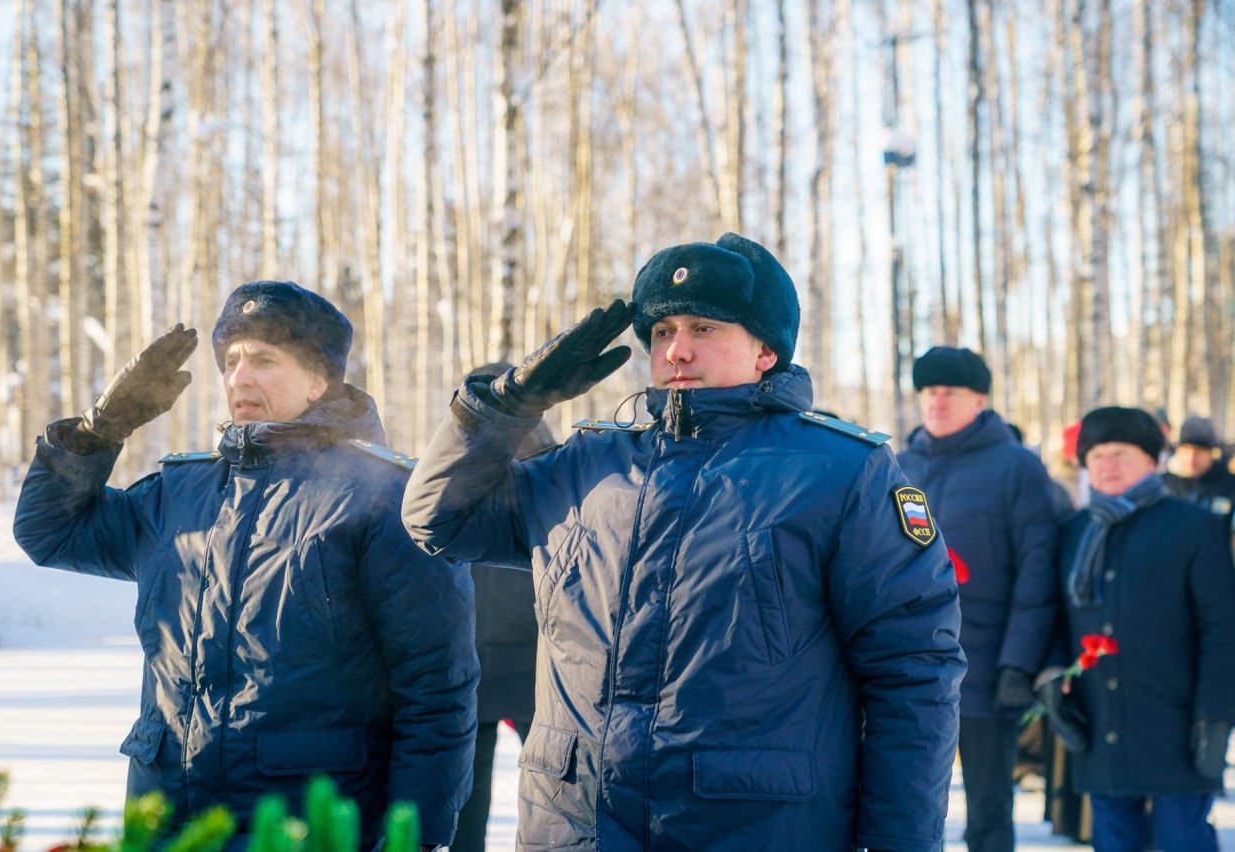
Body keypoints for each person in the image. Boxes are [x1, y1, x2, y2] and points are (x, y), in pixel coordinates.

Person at [402, 233, 966, 850]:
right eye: (662, 330)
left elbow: (913, 672)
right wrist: (506, 407)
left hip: (753, 829)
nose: (677, 349)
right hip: (574, 827)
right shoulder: (587, 465)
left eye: (704, 328)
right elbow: (436, 518)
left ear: (765, 351)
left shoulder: (841, 473)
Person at [13, 280, 478, 851]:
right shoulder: (180, 493)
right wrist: (98, 432)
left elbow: (437, 688)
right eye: (230, 361)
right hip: (168, 820)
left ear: (318, 380)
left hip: (302, 825)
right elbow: (49, 532)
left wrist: (416, 837)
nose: (239, 378)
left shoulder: (382, 500)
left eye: (263, 360)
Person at [1038, 406, 1235, 852]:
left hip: (1177, 719)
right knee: (1113, 837)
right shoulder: (1074, 532)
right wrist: (1051, 675)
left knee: (1182, 835)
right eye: (1097, 455)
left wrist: (1216, 715)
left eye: (1120, 453)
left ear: (1150, 459)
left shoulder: (1195, 527)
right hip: (1099, 716)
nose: (1107, 464)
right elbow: (1054, 617)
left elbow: (1222, 628)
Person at [896, 347, 1058, 852]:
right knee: (903, 803)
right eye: (929, 392)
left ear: (980, 399)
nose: (937, 402)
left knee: (988, 806)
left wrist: (1018, 663)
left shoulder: (1017, 468)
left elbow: (1037, 573)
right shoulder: (898, 465)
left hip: (987, 668)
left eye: (950, 392)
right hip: (906, 667)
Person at [452, 363, 554, 852]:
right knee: (467, 806)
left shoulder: (553, 469)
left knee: (556, 802)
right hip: (471, 669)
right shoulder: (449, 476)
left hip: (540, 668)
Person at [1162, 415, 1235, 535]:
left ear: (1211, 452)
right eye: (1186, 449)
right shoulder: (1164, 485)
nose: (1191, 458)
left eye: (1199, 451)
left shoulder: (1230, 486)